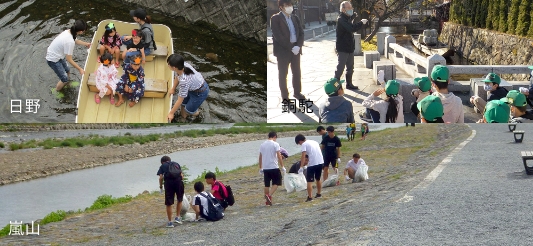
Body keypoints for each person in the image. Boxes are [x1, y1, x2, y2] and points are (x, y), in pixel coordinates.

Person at [270, 0, 305, 100]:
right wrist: (291, 48)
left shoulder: (295, 18)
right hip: (283, 51)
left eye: (290, 5)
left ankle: (297, 93)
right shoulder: (275, 18)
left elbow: (301, 33)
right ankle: (285, 97)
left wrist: (298, 46)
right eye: (287, 5)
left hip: (296, 49)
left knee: (297, 72)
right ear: (281, 7)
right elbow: (278, 36)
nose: (290, 7)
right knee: (283, 74)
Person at [46, 19, 91, 91]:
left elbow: (76, 40)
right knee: (64, 78)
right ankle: (56, 90)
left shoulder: (70, 31)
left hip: (59, 55)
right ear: (80, 31)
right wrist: (80, 69)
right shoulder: (69, 42)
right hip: (53, 60)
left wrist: (86, 44)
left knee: (67, 70)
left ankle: (67, 83)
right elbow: (69, 59)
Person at [334, 1, 368, 90]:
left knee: (350, 67)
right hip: (342, 48)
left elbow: (349, 21)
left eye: (351, 8)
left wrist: (353, 16)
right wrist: (361, 23)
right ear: (343, 9)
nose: (351, 10)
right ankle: (335, 87)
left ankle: (349, 84)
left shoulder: (347, 18)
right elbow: (351, 28)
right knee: (340, 69)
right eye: (349, 8)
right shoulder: (341, 19)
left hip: (349, 47)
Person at [167, 54, 209, 122]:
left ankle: (198, 113)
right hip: (192, 87)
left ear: (174, 67)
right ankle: (183, 117)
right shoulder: (183, 65)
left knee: (189, 111)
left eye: (168, 64)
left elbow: (179, 100)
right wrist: (173, 89)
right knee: (183, 105)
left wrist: (171, 113)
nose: (167, 65)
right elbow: (177, 77)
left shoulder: (184, 81)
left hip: (200, 92)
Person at [156, 156, 185, 227]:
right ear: (169, 160)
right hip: (178, 182)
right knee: (180, 199)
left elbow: (161, 178)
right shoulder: (176, 164)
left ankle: (170, 222)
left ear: (162, 162)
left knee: (169, 203)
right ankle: (177, 217)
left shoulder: (162, 166)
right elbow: (182, 175)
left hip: (169, 184)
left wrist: (160, 186)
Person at [258, 131, 285, 206]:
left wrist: (260, 167)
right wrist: (282, 166)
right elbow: (279, 156)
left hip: (265, 168)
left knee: (267, 184)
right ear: (274, 137)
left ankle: (267, 202)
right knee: (277, 182)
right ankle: (269, 195)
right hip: (273, 167)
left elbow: (260, 157)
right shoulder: (275, 144)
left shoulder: (262, 145)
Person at [295, 134, 324, 202]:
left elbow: (303, 156)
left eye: (299, 143)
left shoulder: (304, 144)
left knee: (309, 181)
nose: (300, 145)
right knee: (318, 178)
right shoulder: (314, 142)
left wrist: (301, 167)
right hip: (320, 161)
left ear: (300, 141)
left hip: (313, 164)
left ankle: (310, 197)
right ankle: (319, 194)